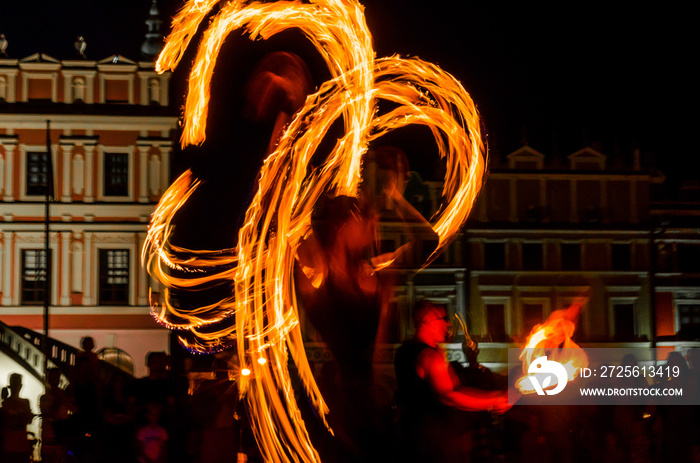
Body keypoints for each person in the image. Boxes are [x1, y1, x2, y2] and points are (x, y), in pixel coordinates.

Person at [395, 301, 510, 463]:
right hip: (434, 444)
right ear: (426, 321)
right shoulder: (430, 356)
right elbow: (450, 395)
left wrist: (494, 397)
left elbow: (453, 389)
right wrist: (494, 400)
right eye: (443, 318)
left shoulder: (403, 351)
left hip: (412, 438)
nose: (448, 323)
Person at [0, 373, 35, 463]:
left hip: (12, 443)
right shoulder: (24, 402)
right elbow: (28, 419)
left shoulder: (6, 403)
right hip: (18, 443)